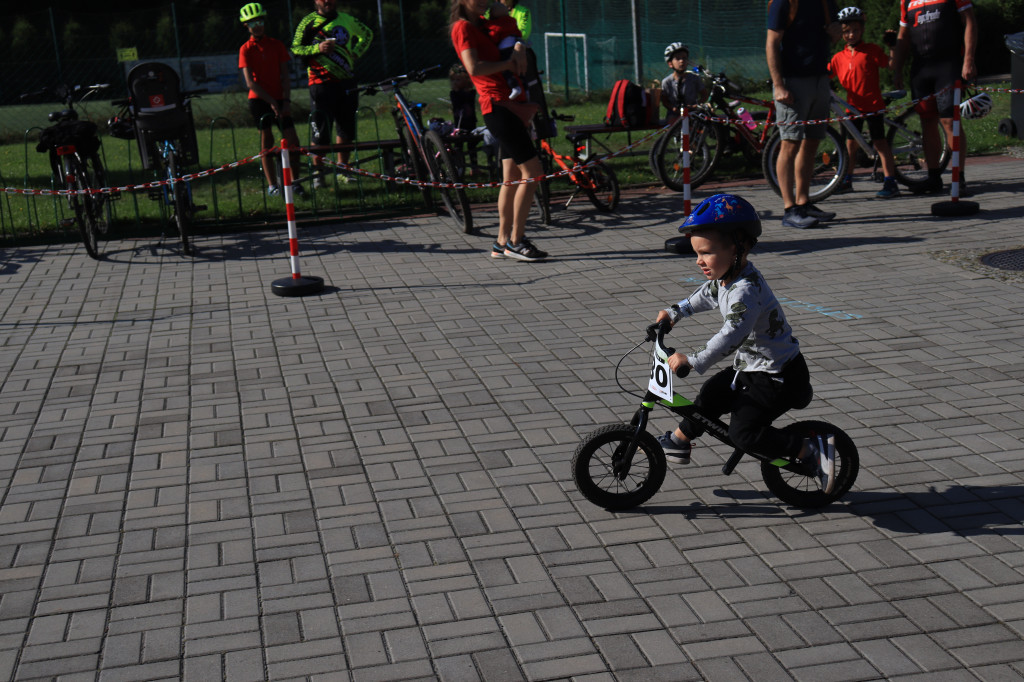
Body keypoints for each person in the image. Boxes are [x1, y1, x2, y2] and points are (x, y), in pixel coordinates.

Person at [652, 193, 835, 493]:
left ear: (739, 247)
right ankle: (679, 441)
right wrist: (674, 313)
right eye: (696, 253)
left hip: (779, 378)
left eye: (706, 253)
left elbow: (730, 335)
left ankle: (808, 451)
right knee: (712, 394)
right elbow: (704, 295)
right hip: (754, 369)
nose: (699, 260)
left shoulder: (745, 292)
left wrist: (693, 360)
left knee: (743, 433)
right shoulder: (727, 278)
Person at [451, 0, 548, 262]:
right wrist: (508, 64)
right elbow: (473, 68)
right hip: (497, 107)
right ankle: (516, 241)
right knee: (533, 173)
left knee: (512, 176)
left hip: (510, 104)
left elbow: (512, 37)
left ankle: (502, 241)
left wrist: (517, 46)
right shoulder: (462, 28)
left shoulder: (483, 24)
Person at [767, 0, 841, 229]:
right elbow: (772, 43)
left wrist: (836, 31)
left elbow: (835, 35)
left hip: (819, 79)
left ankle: (804, 201)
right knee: (790, 142)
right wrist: (778, 85)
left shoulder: (827, 2)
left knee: (811, 142)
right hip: (793, 82)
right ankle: (790, 209)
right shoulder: (784, 3)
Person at [892, 0, 978, 195]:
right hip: (921, 69)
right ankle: (933, 177)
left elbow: (970, 21)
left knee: (950, 121)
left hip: (947, 66)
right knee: (927, 122)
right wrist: (897, 69)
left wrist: (969, 60)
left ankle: (959, 176)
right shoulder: (906, 1)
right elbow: (903, 37)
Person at [292, 0, 373, 189]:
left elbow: (367, 34)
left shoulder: (347, 19)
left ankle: (343, 170)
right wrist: (317, 49)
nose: (328, 1)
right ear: (316, 1)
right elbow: (296, 48)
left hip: (347, 82)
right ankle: (318, 175)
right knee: (320, 132)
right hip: (320, 84)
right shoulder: (307, 22)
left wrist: (355, 52)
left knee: (346, 129)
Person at [828, 6, 901, 198]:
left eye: (855, 30)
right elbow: (826, 74)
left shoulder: (871, 50)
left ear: (862, 30)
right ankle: (847, 180)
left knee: (880, 143)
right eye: (846, 31)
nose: (851, 35)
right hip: (852, 108)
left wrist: (893, 47)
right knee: (850, 146)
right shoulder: (838, 57)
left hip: (873, 105)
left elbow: (891, 65)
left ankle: (891, 182)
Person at [237, 3, 304, 198]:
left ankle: (296, 182)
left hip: (280, 98)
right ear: (246, 26)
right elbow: (250, 83)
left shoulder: (276, 45)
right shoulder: (246, 50)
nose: (257, 26)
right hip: (259, 100)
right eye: (252, 23)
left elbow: (285, 76)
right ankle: (272, 185)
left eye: (260, 22)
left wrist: (285, 100)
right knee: (267, 141)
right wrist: (271, 101)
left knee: (292, 140)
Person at [660, 42, 706, 123]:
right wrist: (673, 108)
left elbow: (704, 94)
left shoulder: (694, 78)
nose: (681, 61)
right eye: (677, 59)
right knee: (672, 122)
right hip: (675, 113)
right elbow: (665, 101)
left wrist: (697, 105)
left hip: (692, 111)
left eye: (684, 58)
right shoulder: (667, 82)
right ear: (670, 64)